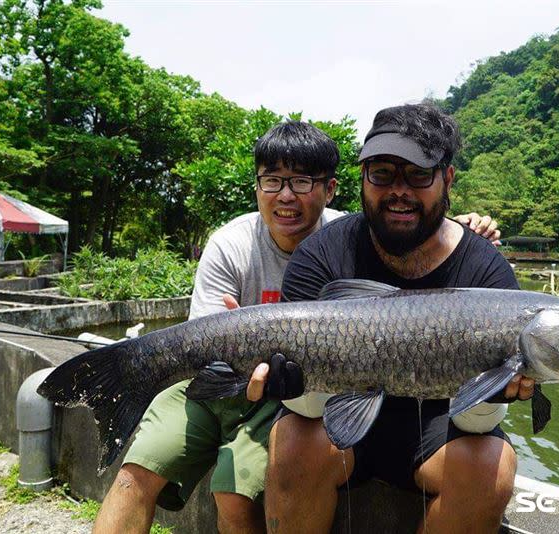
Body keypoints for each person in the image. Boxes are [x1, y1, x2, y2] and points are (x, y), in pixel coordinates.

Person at [93, 119, 501, 534]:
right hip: (250, 387)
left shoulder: (475, 260)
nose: (286, 196)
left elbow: (486, 413)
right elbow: (209, 349)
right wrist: (243, 348)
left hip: (365, 411)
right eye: (272, 181)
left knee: (235, 493)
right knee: (137, 477)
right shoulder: (292, 250)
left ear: (330, 190)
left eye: (302, 182)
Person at [263, 103, 534, 534]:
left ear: (447, 178)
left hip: (439, 426)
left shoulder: (486, 273)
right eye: (383, 174)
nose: (399, 191)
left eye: (418, 175)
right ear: (363, 178)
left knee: (492, 465)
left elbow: (477, 419)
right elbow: (303, 406)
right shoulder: (321, 255)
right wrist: (290, 384)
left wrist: (497, 394)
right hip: (335, 415)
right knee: (294, 438)